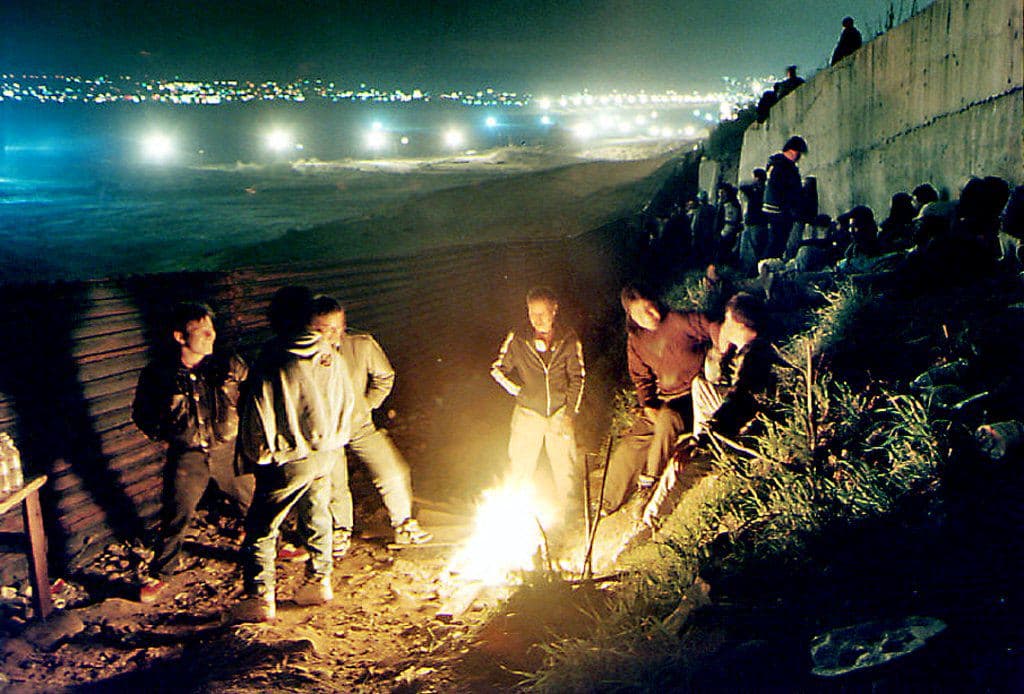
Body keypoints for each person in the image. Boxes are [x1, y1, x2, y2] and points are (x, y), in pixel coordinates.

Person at [232, 287, 356, 622]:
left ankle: (259, 599)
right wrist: (334, 440)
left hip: (288, 458)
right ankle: (319, 582)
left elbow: (258, 410)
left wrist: (258, 454)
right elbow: (347, 399)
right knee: (317, 515)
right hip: (326, 453)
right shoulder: (331, 353)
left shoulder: (273, 355)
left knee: (262, 526)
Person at [132, 302, 251, 604]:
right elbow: (142, 414)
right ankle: (162, 572)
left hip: (228, 450)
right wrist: (168, 436)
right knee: (176, 514)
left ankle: (272, 546)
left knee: (253, 503)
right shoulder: (159, 374)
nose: (212, 336)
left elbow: (254, 397)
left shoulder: (230, 366)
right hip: (188, 456)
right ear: (179, 337)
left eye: (212, 330)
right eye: (202, 332)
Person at [308, 296, 432, 553]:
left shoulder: (361, 346)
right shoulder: (304, 355)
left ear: (344, 326)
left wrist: (367, 404)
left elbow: (385, 376)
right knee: (334, 483)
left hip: (359, 425)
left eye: (336, 328)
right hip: (325, 433)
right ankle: (340, 531)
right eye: (321, 329)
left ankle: (404, 523)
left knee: (393, 471)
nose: (331, 335)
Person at [643, 293, 779, 526]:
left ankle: (650, 522)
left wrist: (701, 441)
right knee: (700, 385)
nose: (724, 326)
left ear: (739, 324)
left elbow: (738, 405)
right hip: (741, 417)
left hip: (742, 433)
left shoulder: (753, 357)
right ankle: (699, 442)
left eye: (728, 320)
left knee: (678, 468)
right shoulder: (755, 349)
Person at [599, 284, 718, 515]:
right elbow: (641, 378)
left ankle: (650, 480)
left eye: (652, 307)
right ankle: (606, 502)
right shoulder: (636, 340)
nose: (652, 315)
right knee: (633, 442)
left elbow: (711, 325)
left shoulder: (678, 321)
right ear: (631, 316)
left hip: (691, 396)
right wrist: (648, 404)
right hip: (665, 398)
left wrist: (720, 351)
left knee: (668, 419)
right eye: (642, 313)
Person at [491, 287, 585, 516]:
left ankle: (571, 516)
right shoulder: (519, 338)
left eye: (542, 313)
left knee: (566, 468)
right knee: (520, 467)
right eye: (532, 313)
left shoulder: (569, 339)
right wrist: (518, 391)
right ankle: (513, 514)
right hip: (527, 414)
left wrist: (570, 414)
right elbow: (497, 369)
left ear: (555, 310)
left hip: (559, 414)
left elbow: (578, 377)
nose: (537, 319)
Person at [763, 136, 808, 260]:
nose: (799, 157)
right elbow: (786, 190)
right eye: (798, 153)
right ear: (792, 151)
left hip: (772, 208)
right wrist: (793, 206)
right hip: (780, 210)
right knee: (777, 242)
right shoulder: (784, 167)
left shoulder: (774, 163)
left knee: (775, 242)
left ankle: (767, 267)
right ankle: (767, 268)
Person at [738, 168, 769, 273]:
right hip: (753, 223)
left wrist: (754, 183)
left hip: (757, 223)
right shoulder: (757, 190)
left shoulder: (761, 191)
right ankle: (748, 271)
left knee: (754, 250)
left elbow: (742, 186)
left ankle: (752, 271)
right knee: (748, 249)